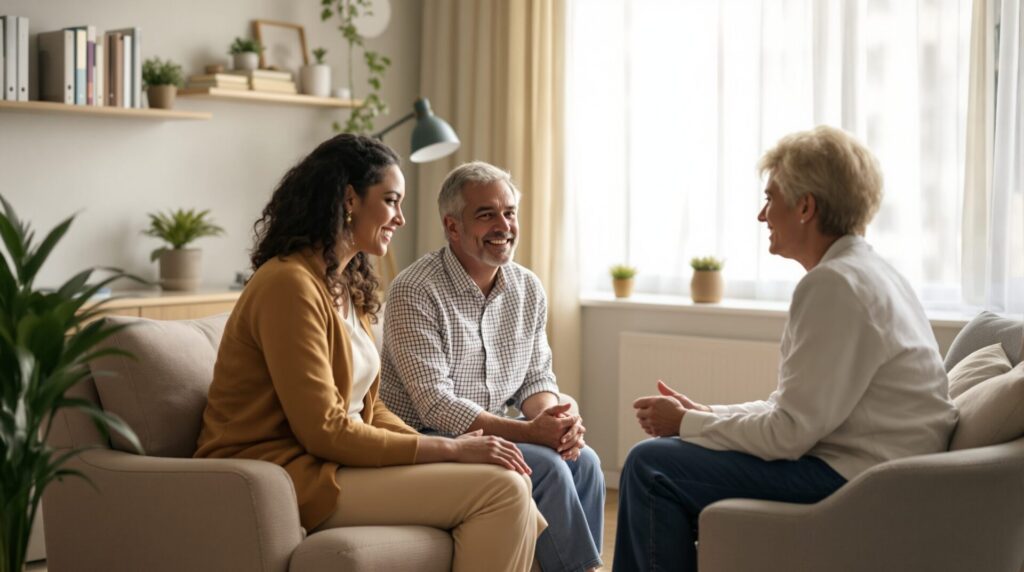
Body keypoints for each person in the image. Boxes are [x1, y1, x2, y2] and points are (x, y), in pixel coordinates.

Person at [614, 126, 958, 571]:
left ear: (805, 206)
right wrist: (704, 415)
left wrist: (688, 423)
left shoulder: (833, 286)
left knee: (650, 466)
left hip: (859, 482)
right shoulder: (870, 272)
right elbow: (793, 411)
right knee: (664, 459)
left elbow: (788, 434)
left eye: (769, 198)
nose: (762, 215)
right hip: (873, 468)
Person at [195, 135, 545, 572]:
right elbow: (324, 429)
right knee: (503, 490)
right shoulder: (288, 284)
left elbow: (369, 407)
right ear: (349, 200)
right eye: (391, 201)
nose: (400, 217)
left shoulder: (345, 284)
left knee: (506, 482)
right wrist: (447, 450)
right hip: (286, 472)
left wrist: (448, 444)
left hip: (332, 461)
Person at [380, 161, 605, 572]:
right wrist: (529, 432)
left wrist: (554, 421)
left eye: (509, 212)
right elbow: (435, 405)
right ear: (452, 227)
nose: (503, 225)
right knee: (551, 468)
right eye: (486, 215)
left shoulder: (527, 287)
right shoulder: (414, 289)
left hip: (492, 433)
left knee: (583, 460)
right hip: (425, 440)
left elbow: (536, 377)